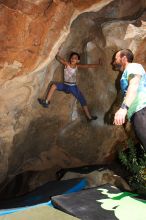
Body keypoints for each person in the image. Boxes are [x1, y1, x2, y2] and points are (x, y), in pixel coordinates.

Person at [38, 51, 101, 121]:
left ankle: (89, 117)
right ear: (70, 59)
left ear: (78, 61)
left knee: (82, 100)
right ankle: (46, 102)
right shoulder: (67, 64)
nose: (73, 58)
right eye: (72, 57)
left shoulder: (77, 66)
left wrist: (98, 65)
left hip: (73, 87)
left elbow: (88, 66)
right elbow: (60, 59)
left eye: (75, 58)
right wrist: (56, 53)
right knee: (53, 86)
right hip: (65, 85)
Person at [113, 49, 146, 151]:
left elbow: (134, 84)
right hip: (138, 112)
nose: (113, 62)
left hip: (142, 110)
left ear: (124, 58)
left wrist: (124, 109)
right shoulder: (127, 72)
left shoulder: (133, 67)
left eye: (115, 59)